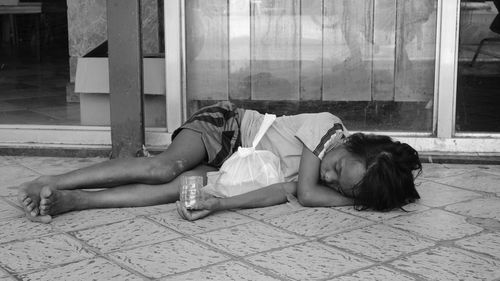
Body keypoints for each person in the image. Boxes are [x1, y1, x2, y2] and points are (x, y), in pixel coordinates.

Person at [17, 101, 422, 223]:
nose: (329, 177)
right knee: (164, 169)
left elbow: (279, 193)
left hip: (236, 166)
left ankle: (76, 202)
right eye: (336, 167)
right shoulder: (328, 127)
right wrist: (354, 200)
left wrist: (221, 204)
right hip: (228, 128)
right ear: (351, 143)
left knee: (174, 191)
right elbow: (307, 194)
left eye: (339, 184)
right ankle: (58, 179)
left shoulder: (314, 182)